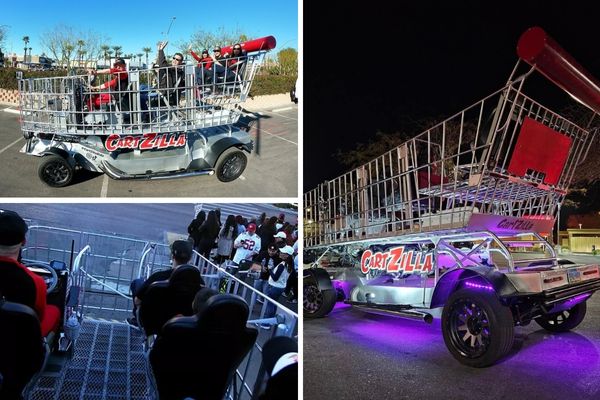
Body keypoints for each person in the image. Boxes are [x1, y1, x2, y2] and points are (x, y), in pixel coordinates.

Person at [0, 210, 60, 337]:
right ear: (23, 242)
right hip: (15, 343)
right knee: (54, 310)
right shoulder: (36, 282)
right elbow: (37, 319)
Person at [127, 239, 196, 327]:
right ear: (190, 258)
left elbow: (137, 301)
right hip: (182, 324)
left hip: (153, 323)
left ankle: (137, 320)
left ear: (172, 256)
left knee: (137, 282)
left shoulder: (158, 277)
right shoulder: (197, 281)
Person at [262, 246, 294, 327]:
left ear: (287, 255)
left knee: (270, 305)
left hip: (275, 286)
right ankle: (271, 321)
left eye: (283, 252)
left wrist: (270, 270)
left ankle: (265, 323)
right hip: (281, 286)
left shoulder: (282, 265)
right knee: (274, 304)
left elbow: (275, 278)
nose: (280, 253)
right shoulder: (289, 265)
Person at [155, 41, 186, 106]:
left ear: (180, 62)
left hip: (166, 97)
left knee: (141, 97)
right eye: (174, 58)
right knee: (142, 87)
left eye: (177, 59)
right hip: (161, 92)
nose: (174, 60)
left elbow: (162, 64)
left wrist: (161, 50)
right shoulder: (171, 69)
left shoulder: (177, 72)